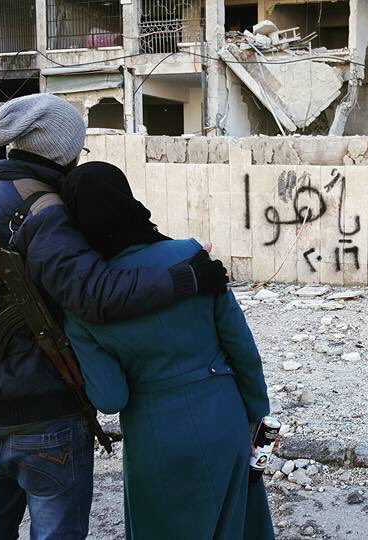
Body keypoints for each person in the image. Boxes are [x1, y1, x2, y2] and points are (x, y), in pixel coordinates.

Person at [0, 94, 229, 540]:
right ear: (64, 151)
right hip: (44, 408)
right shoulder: (43, 210)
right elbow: (96, 294)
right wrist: (188, 277)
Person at [59, 161, 274, 540]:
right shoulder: (191, 256)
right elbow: (242, 347)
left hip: (154, 438)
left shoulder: (85, 304)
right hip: (223, 418)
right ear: (128, 200)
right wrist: (257, 414)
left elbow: (110, 398)